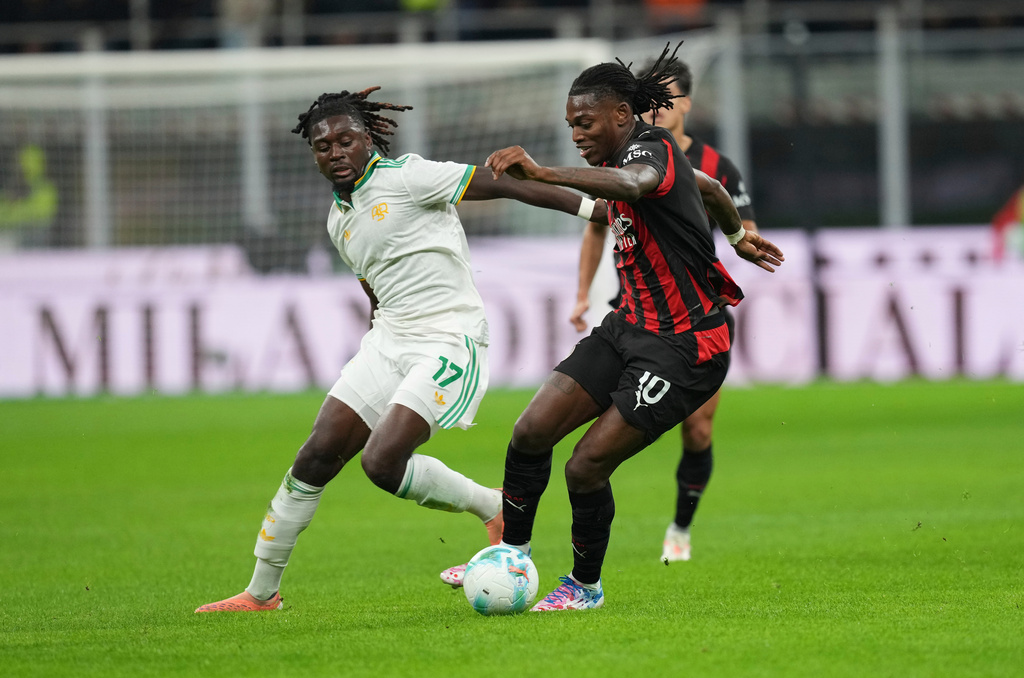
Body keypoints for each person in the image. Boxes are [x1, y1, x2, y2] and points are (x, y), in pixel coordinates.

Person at [195, 86, 609, 612]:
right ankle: (260, 594)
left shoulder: (408, 178)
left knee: (382, 462)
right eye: (324, 147)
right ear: (315, 155)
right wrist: (379, 340)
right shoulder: (337, 219)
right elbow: (374, 286)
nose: (337, 152)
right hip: (388, 341)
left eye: (347, 140)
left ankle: (491, 508)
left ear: (368, 140)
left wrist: (599, 212)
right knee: (315, 457)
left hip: (449, 340)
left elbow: (508, 187)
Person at [442, 43, 783, 611]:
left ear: (621, 115)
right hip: (626, 327)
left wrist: (545, 169)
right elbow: (710, 188)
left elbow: (632, 188)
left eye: (584, 121)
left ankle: (585, 587)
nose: (576, 132)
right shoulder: (622, 164)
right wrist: (737, 235)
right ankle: (513, 555)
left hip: (686, 345)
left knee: (585, 465)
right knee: (529, 433)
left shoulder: (652, 149)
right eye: (570, 124)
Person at [569, 58, 759, 564]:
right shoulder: (615, 156)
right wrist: (583, 292)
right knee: (596, 442)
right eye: (657, 99)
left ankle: (680, 527)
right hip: (633, 312)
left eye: (670, 99)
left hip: (690, 316)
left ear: (687, 105)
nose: (663, 108)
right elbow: (596, 223)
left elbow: (733, 212)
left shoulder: (709, 164)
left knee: (697, 430)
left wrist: (741, 240)